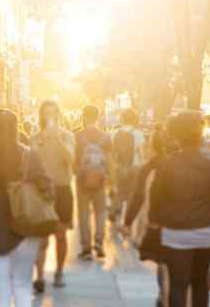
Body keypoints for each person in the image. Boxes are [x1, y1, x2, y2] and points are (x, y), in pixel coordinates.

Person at [149, 111, 210, 307]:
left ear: (177, 135)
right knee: (200, 283)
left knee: (178, 284)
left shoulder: (167, 164)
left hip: (174, 232)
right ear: (200, 133)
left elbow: (156, 200)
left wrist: (156, 221)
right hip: (204, 231)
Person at [0, 109, 53, 307]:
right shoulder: (30, 157)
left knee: (1, 289)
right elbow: (47, 191)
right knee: (23, 285)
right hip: (27, 231)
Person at [121, 124, 168, 307]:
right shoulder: (183, 163)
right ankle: (167, 295)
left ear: (153, 146)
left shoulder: (150, 166)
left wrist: (127, 222)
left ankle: (164, 295)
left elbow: (138, 196)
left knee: (164, 262)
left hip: (157, 221)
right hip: (186, 222)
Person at [31, 100, 75, 292]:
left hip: (62, 189)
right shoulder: (36, 138)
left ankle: (59, 271)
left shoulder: (67, 136)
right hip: (42, 192)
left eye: (53, 114)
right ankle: (39, 276)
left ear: (58, 115)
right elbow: (32, 163)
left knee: (61, 235)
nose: (49, 118)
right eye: (46, 114)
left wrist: (56, 137)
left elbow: (70, 159)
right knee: (41, 238)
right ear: (41, 116)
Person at [74, 105, 112, 260]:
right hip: (101, 179)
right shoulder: (106, 137)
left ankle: (86, 247)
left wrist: (77, 172)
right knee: (100, 212)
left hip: (82, 179)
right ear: (98, 117)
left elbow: (73, 159)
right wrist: (111, 179)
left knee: (83, 214)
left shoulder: (77, 136)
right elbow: (110, 160)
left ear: (84, 116)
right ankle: (99, 242)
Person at [111, 108, 145, 222]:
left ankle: (116, 210)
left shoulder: (115, 133)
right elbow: (141, 153)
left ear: (122, 119)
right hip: (135, 166)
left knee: (120, 191)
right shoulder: (138, 134)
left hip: (120, 166)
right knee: (131, 192)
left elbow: (112, 153)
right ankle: (128, 219)